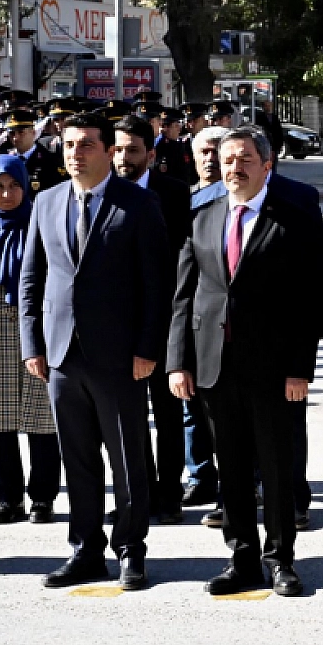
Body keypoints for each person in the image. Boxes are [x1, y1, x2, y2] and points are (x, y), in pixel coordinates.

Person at [167, 128, 323, 597]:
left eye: (244, 160)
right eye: (227, 160)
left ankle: (280, 559)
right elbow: (184, 296)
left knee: (277, 468)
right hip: (215, 365)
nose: (234, 168)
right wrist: (179, 361)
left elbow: (311, 298)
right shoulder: (203, 214)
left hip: (276, 369)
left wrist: (301, 367)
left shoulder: (295, 217)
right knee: (231, 467)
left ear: (266, 165)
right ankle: (241, 557)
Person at [19, 112, 170, 591]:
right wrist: (32, 344)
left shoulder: (139, 204)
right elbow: (31, 279)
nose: (75, 152)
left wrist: (148, 346)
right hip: (62, 353)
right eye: (68, 144)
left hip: (120, 355)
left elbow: (157, 283)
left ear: (108, 151)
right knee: (77, 457)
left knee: (127, 456)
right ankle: (85, 549)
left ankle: (131, 549)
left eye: (85, 144)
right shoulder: (46, 202)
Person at [110, 116, 192, 527]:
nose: (125, 158)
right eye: (119, 150)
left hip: (165, 321)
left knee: (168, 412)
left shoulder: (175, 195)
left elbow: (184, 260)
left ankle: (169, 493)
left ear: (151, 154)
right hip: (118, 327)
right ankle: (136, 493)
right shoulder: (101, 194)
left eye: (133, 150)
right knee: (127, 417)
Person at [0, 156, 60, 526]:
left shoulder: (39, 223)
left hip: (38, 330)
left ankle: (43, 498)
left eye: (13, 185)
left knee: (42, 420)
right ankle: (7, 499)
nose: (6, 194)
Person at [1, 108, 64, 194]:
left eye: (21, 132)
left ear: (33, 133)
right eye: (12, 133)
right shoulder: (5, 159)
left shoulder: (50, 160)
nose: (15, 138)